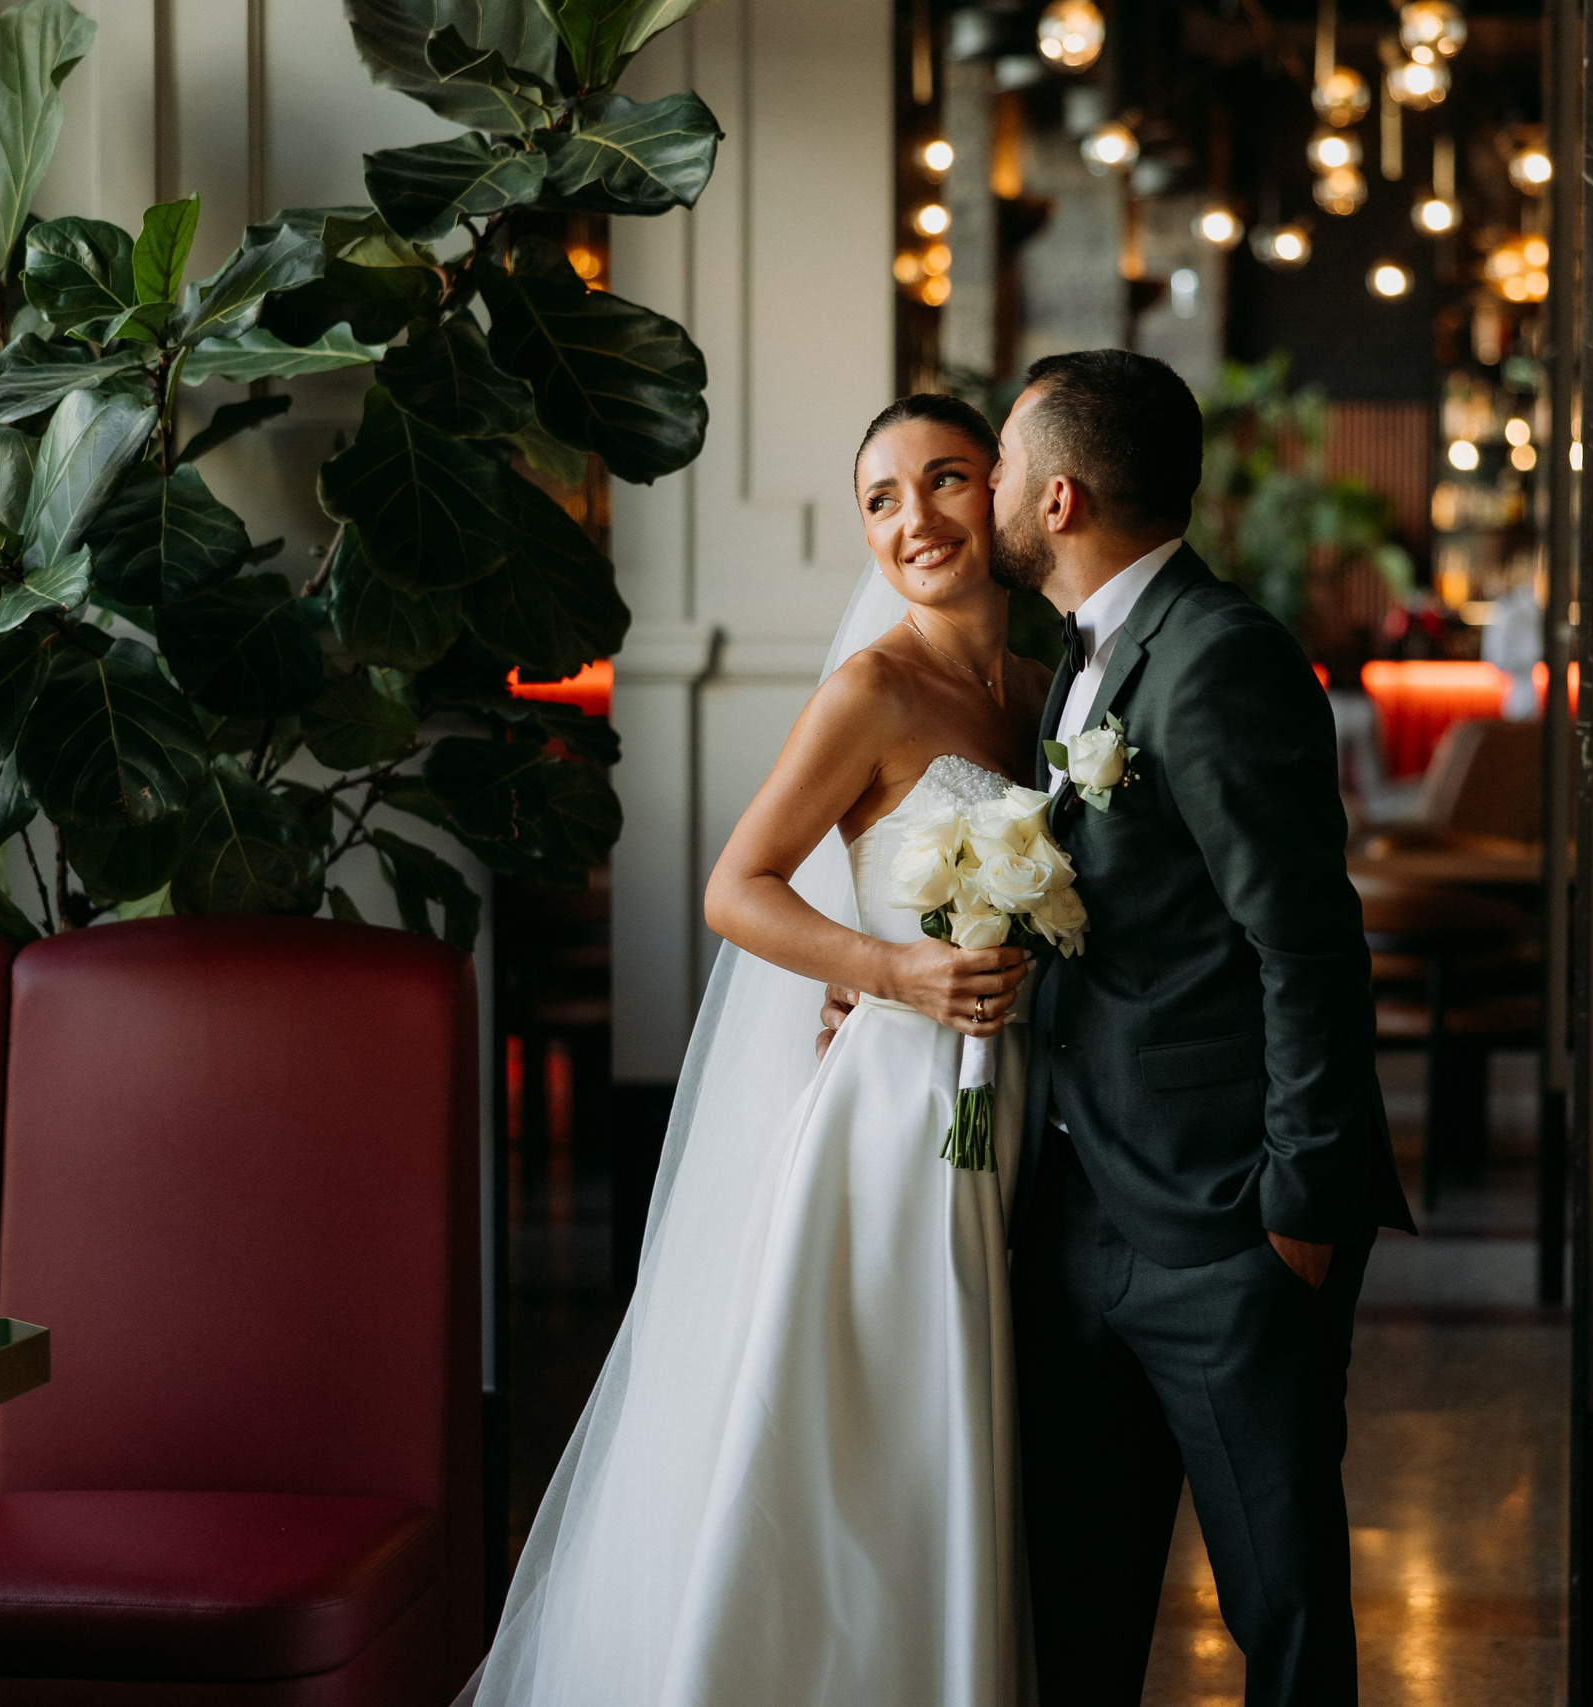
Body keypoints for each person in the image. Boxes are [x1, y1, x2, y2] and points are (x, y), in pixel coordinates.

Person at [461, 393, 1049, 1707]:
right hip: (892, 1120)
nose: (914, 520)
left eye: (945, 480)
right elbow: (738, 888)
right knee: (883, 1439)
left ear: (1004, 491)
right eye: (881, 500)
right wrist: (892, 972)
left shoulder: (1042, 690)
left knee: (967, 1434)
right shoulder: (873, 689)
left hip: (1014, 1100)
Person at [982, 349, 1412, 1706]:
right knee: (1078, 1606)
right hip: (1080, 1213)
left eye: (998, 466)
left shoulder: (1221, 657)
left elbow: (1308, 945)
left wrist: (1300, 1208)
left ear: (1059, 498)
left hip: (1230, 1229)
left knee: (1279, 1614)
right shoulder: (1080, 656)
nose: (986, 492)